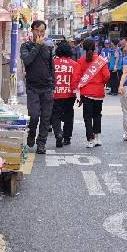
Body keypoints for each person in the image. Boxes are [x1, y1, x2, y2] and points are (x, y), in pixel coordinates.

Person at [19, 20, 55, 155]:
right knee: (34, 115)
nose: (40, 34)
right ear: (32, 31)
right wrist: (37, 46)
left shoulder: (49, 47)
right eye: (38, 31)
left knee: (46, 118)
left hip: (47, 87)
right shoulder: (26, 46)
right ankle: (31, 133)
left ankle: (41, 143)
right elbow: (27, 60)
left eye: (43, 32)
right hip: (33, 87)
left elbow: (51, 67)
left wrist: (53, 86)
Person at [76, 38, 110, 148]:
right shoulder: (101, 61)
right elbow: (107, 76)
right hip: (98, 92)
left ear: (83, 47)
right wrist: (101, 83)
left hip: (86, 93)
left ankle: (89, 140)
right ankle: (97, 138)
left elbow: (77, 77)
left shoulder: (81, 61)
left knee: (87, 116)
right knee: (97, 115)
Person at [52, 40, 80, 148]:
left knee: (56, 115)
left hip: (56, 93)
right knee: (69, 115)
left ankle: (58, 133)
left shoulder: (53, 63)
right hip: (69, 94)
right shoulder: (74, 64)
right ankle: (67, 138)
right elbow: (75, 80)